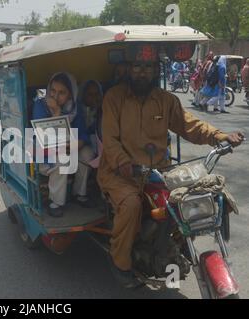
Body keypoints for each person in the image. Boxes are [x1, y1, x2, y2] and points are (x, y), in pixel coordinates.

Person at [98, 56, 245, 288]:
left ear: (156, 70)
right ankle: (121, 262)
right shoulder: (114, 98)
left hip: (157, 171)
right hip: (118, 173)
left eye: (148, 67)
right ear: (129, 69)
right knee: (131, 205)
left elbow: (191, 125)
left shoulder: (166, 100)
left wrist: (219, 136)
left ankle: (170, 248)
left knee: (187, 199)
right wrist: (124, 162)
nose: (142, 72)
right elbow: (110, 139)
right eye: (137, 66)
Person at [32, 72, 96, 218]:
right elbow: (47, 138)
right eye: (53, 91)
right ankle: (55, 202)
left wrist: (76, 144)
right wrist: (57, 112)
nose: (55, 96)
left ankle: (79, 194)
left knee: (87, 154)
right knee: (62, 159)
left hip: (68, 147)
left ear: (70, 94)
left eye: (62, 93)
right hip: (45, 150)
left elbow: (82, 134)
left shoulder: (75, 107)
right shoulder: (40, 105)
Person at [77, 80, 104, 167]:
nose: (95, 97)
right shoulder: (78, 111)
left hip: (102, 145)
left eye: (97, 94)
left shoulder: (105, 109)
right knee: (87, 154)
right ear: (83, 96)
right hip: (82, 145)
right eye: (90, 94)